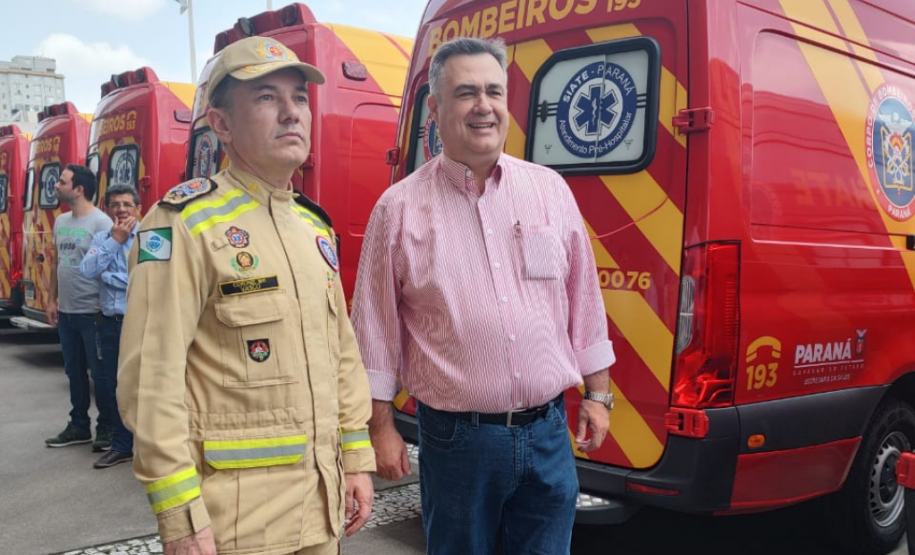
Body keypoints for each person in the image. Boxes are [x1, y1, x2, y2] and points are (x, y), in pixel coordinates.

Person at [352, 37, 616, 555]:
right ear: (436, 107)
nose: (484, 106)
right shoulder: (398, 209)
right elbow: (375, 333)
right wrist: (379, 430)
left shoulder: (549, 191)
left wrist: (598, 395)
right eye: (466, 92)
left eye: (494, 91)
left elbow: (583, 300)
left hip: (548, 432)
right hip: (458, 442)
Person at [118, 35, 375, 555]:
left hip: (320, 509)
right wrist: (180, 513)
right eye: (266, 98)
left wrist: (356, 458)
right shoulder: (181, 226)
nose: (291, 113)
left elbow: (341, 354)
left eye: (299, 97)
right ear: (222, 125)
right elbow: (151, 382)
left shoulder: (313, 227)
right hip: (233, 523)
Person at [44, 164, 114, 452]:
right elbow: (57, 263)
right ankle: (79, 425)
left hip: (93, 313)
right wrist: (51, 300)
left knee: (101, 375)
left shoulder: (102, 224)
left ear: (79, 189)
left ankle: (107, 428)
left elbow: (110, 267)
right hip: (67, 313)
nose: (56, 186)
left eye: (62, 182)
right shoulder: (61, 222)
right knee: (74, 372)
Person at [79, 183, 141, 469]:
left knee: (150, 385)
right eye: (115, 205)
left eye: (127, 204)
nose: (121, 210)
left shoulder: (150, 238)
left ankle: (153, 447)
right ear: (107, 209)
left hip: (141, 322)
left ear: (138, 208)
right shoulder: (104, 238)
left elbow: (146, 283)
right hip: (110, 324)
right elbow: (88, 270)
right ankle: (121, 445)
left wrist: (109, 277)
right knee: (116, 387)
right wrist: (115, 240)